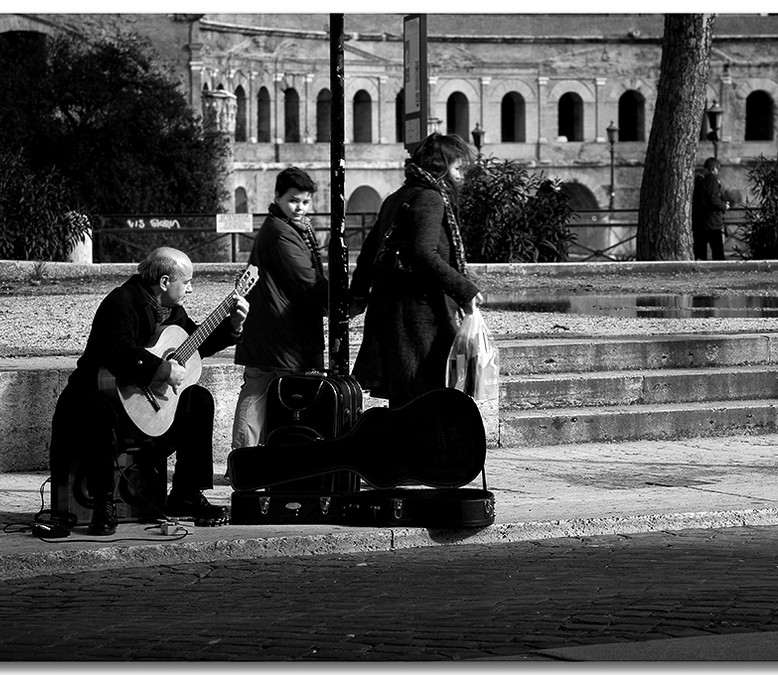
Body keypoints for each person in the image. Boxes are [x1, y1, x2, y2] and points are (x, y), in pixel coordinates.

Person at [49, 247, 249, 536]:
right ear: (166, 282)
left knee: (199, 400)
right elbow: (119, 352)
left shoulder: (172, 310)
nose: (190, 289)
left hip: (146, 412)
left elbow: (194, 344)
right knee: (97, 411)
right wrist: (163, 370)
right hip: (98, 401)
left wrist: (233, 327)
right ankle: (103, 505)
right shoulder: (120, 303)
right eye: (187, 281)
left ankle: (186, 494)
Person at [348, 132, 483, 409]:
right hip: (419, 318)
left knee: (405, 401)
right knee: (424, 399)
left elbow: (368, 253)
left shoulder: (398, 197)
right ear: (441, 169)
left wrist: (358, 298)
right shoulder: (430, 198)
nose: (461, 177)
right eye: (457, 168)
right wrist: (465, 290)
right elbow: (423, 253)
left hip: (393, 315)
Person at [232, 167, 328, 449]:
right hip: (281, 335)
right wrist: (344, 300)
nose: (299, 208)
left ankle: (242, 460)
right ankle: (256, 460)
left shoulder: (281, 227)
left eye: (305, 202)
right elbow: (307, 280)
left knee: (255, 393)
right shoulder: (282, 232)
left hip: (267, 332)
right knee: (278, 398)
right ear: (278, 197)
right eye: (293, 201)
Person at [692, 157, 730, 260]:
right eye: (718, 169)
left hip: (698, 222)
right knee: (718, 254)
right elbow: (714, 199)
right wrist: (724, 206)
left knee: (700, 254)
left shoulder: (697, 179)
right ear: (714, 169)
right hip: (712, 223)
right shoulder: (712, 179)